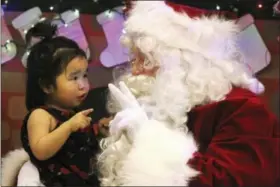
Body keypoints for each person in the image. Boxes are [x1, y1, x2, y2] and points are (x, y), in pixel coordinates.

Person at [97, 1, 280, 187]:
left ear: (181, 60)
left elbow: (227, 181)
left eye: (144, 60)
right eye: (133, 59)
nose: (134, 70)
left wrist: (151, 139)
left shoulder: (243, 110)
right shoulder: (169, 104)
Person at [20, 21, 100, 186]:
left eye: (85, 75)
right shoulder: (41, 115)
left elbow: (79, 144)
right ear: (47, 86)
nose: (83, 84)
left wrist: (99, 129)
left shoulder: (71, 113)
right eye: (74, 77)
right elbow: (40, 150)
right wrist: (69, 126)